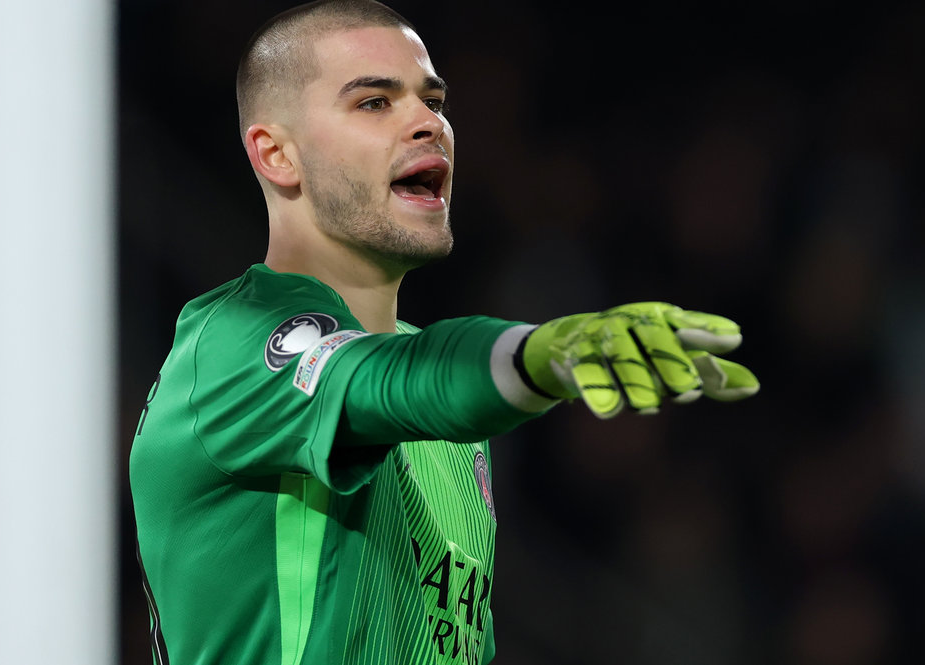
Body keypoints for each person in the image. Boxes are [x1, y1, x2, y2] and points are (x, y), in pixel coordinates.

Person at [129, 1, 759, 663]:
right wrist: (540, 355)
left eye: (433, 101)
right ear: (277, 154)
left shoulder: (458, 441)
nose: (429, 123)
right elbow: (393, 381)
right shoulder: (230, 345)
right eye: (374, 102)